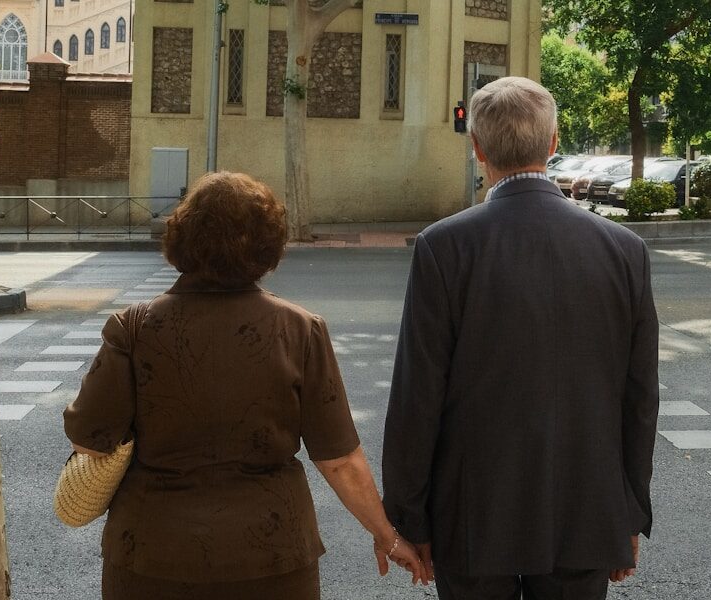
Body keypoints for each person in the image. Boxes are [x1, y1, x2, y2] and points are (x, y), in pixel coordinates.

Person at [63, 171, 427, 599]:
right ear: (268, 245)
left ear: (180, 236)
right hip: (272, 556)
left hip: (152, 555)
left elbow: (89, 441)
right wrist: (386, 534)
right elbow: (340, 461)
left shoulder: (133, 327)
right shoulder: (300, 330)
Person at [381, 77, 659, 600]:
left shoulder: (444, 246)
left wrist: (408, 516)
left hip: (473, 511)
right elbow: (639, 399)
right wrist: (627, 511)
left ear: (477, 148)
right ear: (553, 145)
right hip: (585, 507)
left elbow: (417, 396)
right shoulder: (625, 250)